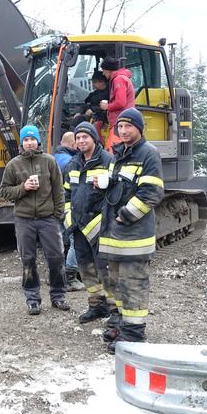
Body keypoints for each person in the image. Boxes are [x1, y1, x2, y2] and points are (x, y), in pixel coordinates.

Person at [98, 109, 164, 350]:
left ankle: (134, 334)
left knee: (133, 283)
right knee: (116, 284)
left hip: (133, 236)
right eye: (120, 127)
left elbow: (152, 193)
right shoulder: (119, 155)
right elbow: (118, 188)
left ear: (139, 128)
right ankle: (121, 324)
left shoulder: (148, 154)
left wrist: (125, 216)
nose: (123, 131)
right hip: (116, 237)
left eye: (128, 126)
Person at [0, 125, 70, 316]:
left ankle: (58, 296)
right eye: (26, 140)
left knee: (56, 258)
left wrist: (58, 214)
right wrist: (23, 187)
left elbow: (59, 189)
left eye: (32, 139)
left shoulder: (49, 161)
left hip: (48, 219)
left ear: (38, 141)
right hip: (24, 220)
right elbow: (5, 191)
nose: (29, 143)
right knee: (28, 260)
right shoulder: (13, 165)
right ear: (22, 143)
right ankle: (32, 299)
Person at [64, 122, 118, 325]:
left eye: (85, 137)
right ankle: (96, 305)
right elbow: (66, 193)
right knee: (86, 268)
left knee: (106, 268)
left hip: (100, 227)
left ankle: (114, 310)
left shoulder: (108, 161)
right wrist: (69, 218)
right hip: (79, 227)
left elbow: (116, 194)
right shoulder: (73, 163)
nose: (81, 141)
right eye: (78, 138)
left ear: (94, 139)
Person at [52, 132, 84, 292]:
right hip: (66, 205)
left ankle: (58, 274)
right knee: (75, 239)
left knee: (60, 240)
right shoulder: (70, 162)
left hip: (54, 206)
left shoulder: (54, 157)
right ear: (73, 145)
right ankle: (70, 277)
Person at [99, 57, 135, 149]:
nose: (103, 73)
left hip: (120, 121)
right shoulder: (122, 78)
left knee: (114, 151)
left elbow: (120, 103)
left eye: (104, 70)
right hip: (122, 121)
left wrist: (107, 106)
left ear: (108, 70)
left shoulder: (118, 80)